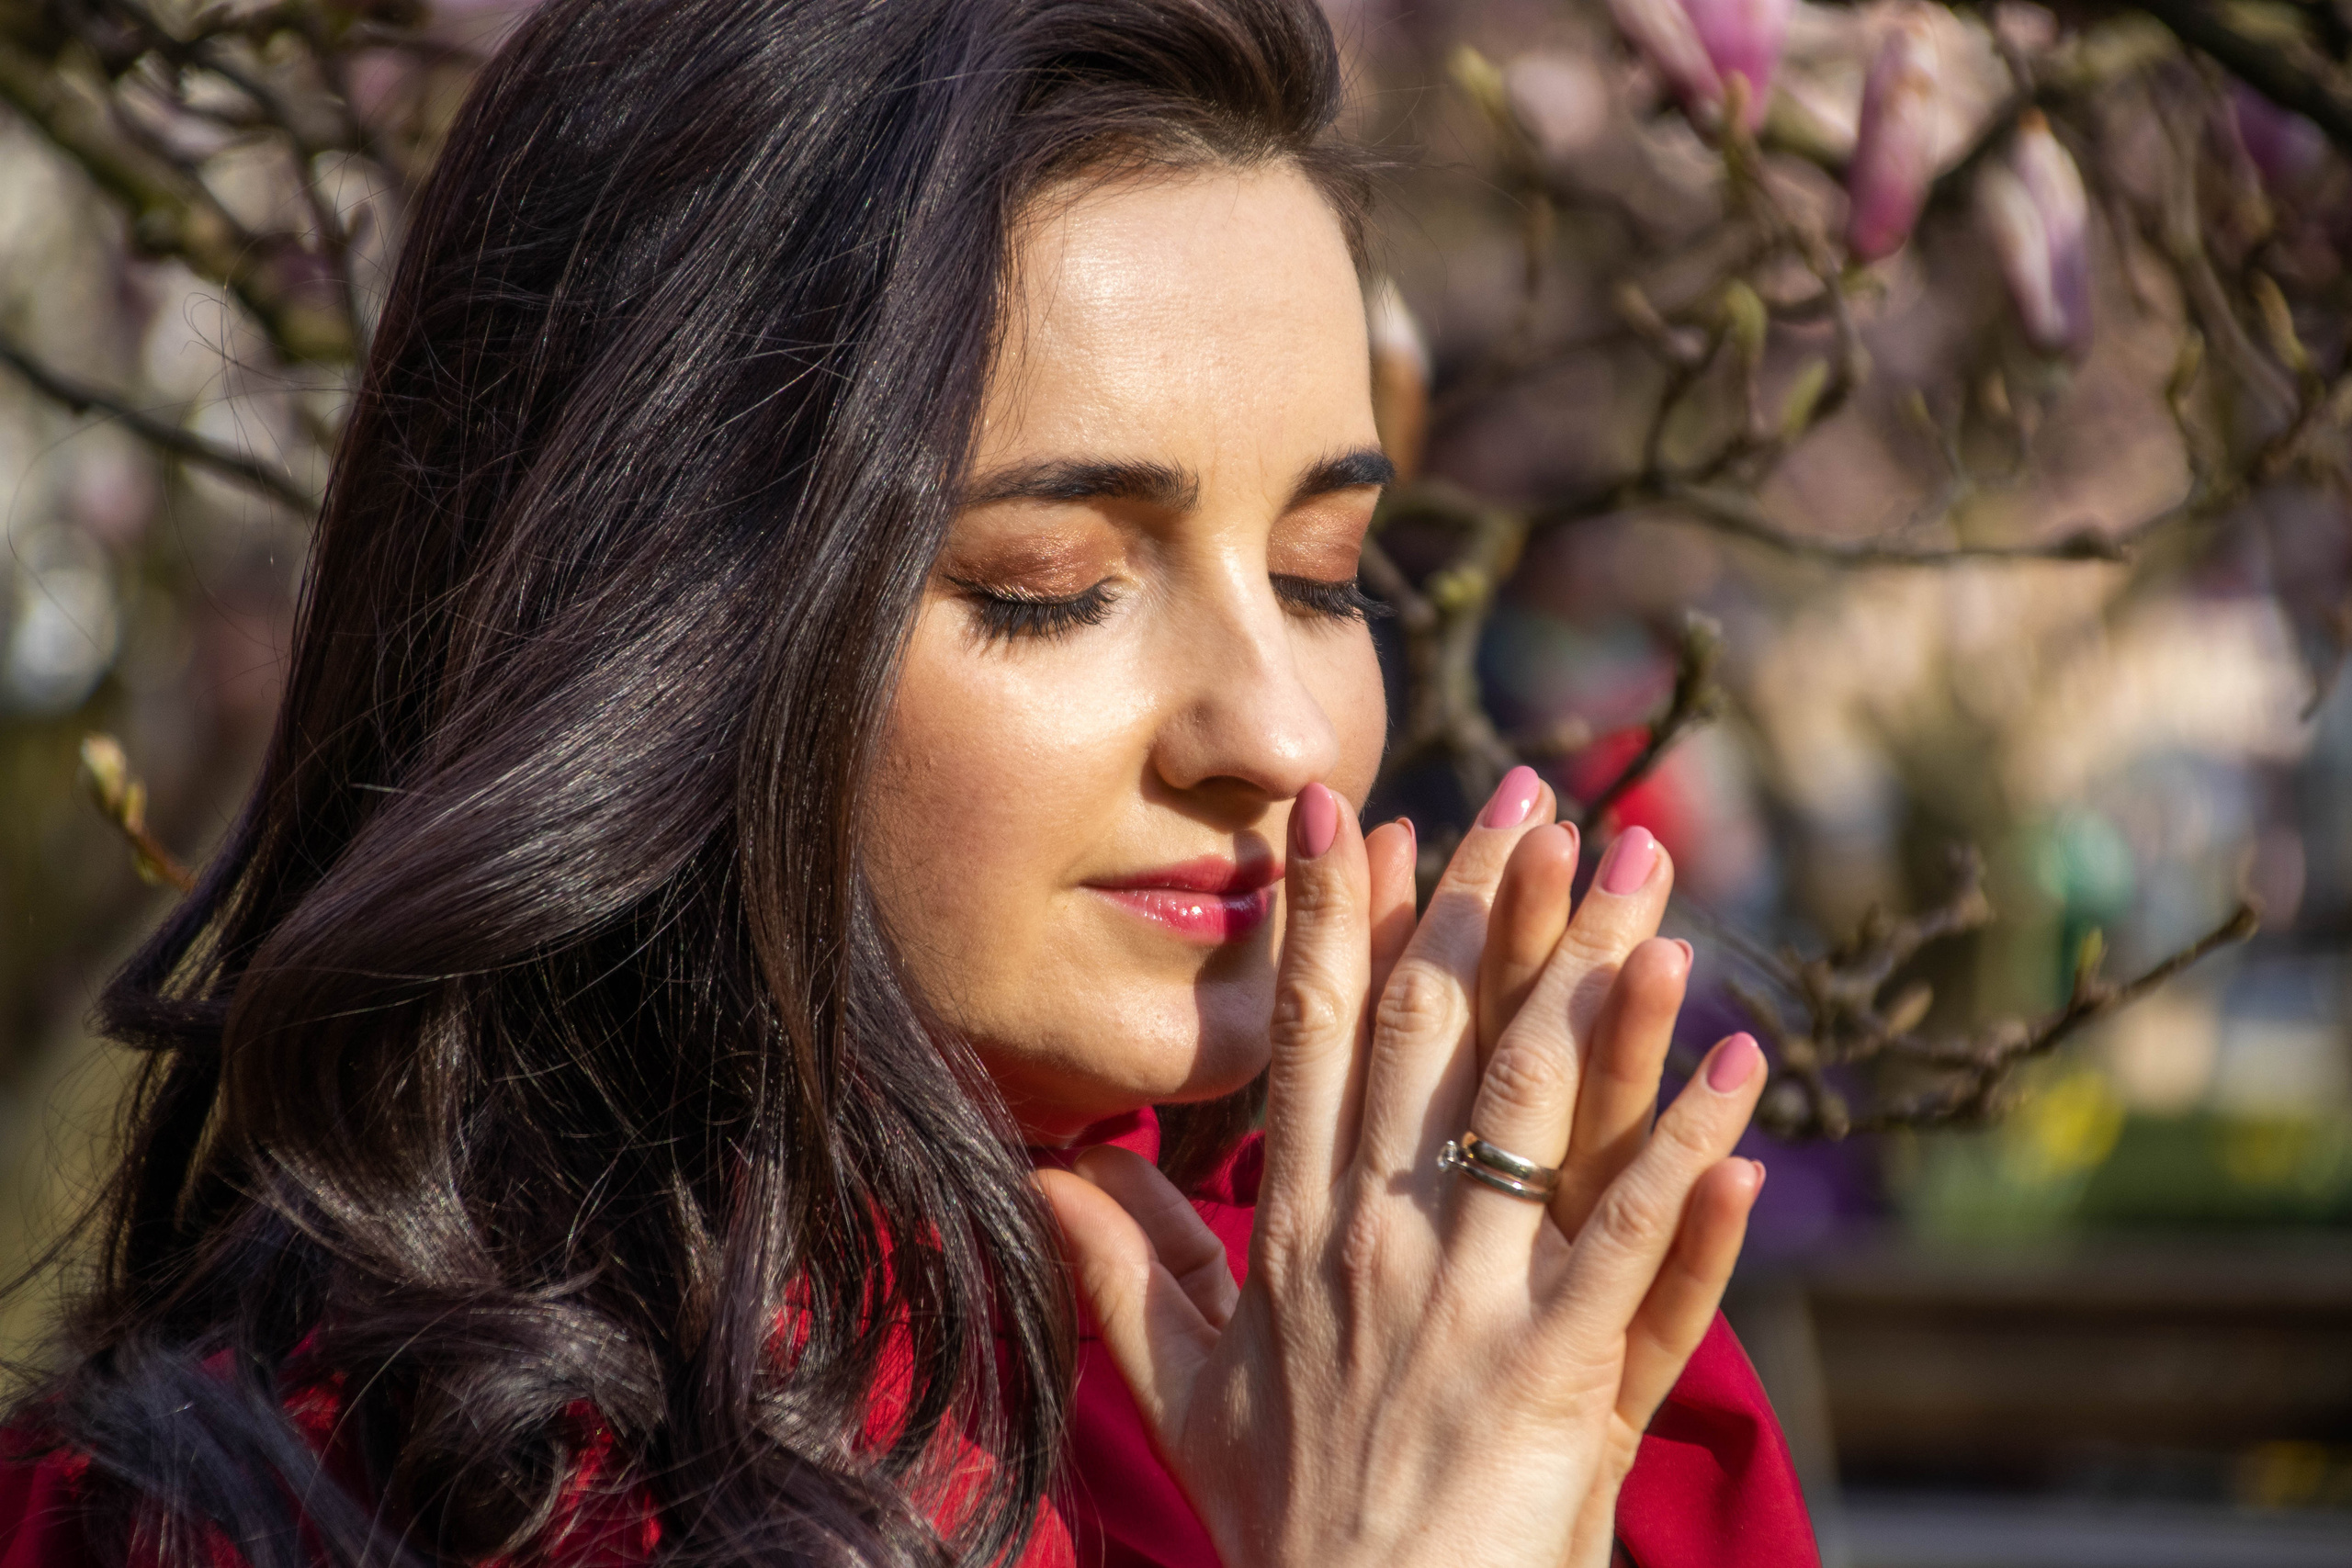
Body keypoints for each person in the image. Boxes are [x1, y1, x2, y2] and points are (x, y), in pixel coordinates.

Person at [0, 1, 1819, 1564]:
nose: (1274, 732)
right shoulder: (332, 1483)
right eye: (1052, 586)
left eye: (1323, 572)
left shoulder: (1460, 1340)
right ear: (657, 630)